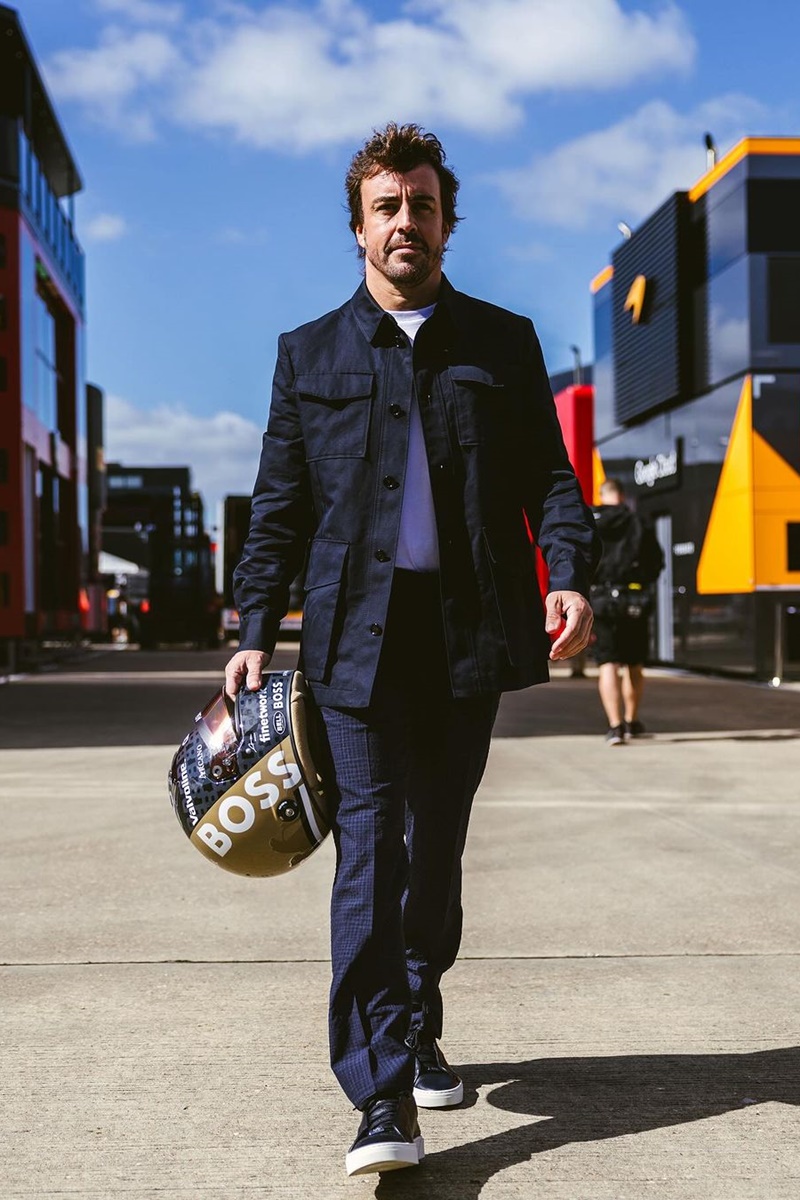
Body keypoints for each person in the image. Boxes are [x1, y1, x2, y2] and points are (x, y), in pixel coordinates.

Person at [225, 122, 600, 1177]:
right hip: (353, 646)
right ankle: (379, 1093)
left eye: (421, 204)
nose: (404, 222)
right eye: (385, 206)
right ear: (357, 229)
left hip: (466, 637)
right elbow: (279, 508)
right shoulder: (309, 354)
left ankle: (418, 1003)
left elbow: (553, 482)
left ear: (446, 221)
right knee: (369, 850)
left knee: (433, 851)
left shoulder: (501, 341)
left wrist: (563, 571)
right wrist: (254, 632)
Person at [591, 478, 664, 745]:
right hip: (633, 600)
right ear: (621, 496)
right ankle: (632, 721)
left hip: (600, 600)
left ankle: (615, 727)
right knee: (633, 664)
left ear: (601, 495)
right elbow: (656, 562)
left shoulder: (590, 520)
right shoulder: (638, 522)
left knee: (607, 663)